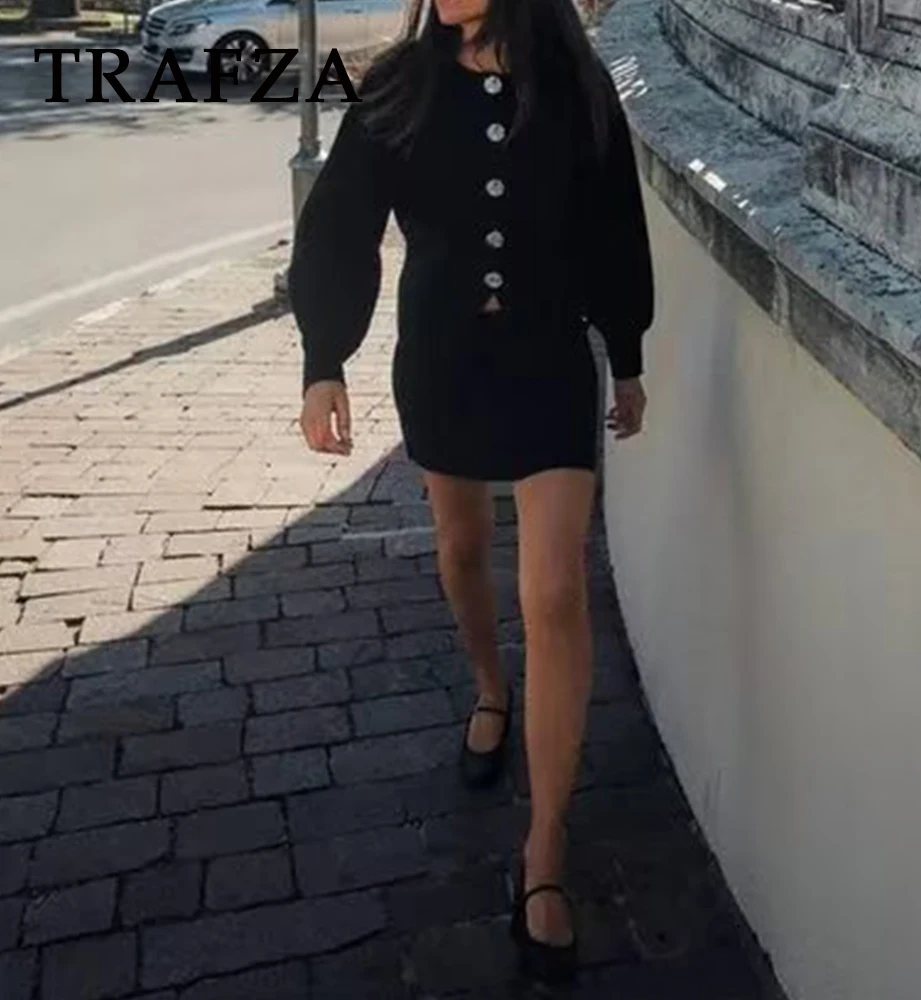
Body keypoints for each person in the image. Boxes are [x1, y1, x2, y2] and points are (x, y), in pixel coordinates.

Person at [287, 0, 654, 984]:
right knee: (459, 551)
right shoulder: (400, 86)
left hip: (546, 365)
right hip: (441, 364)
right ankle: (491, 686)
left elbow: (614, 224)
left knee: (554, 591)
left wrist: (625, 355)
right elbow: (341, 223)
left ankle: (544, 851)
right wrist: (324, 359)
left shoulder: (575, 90)